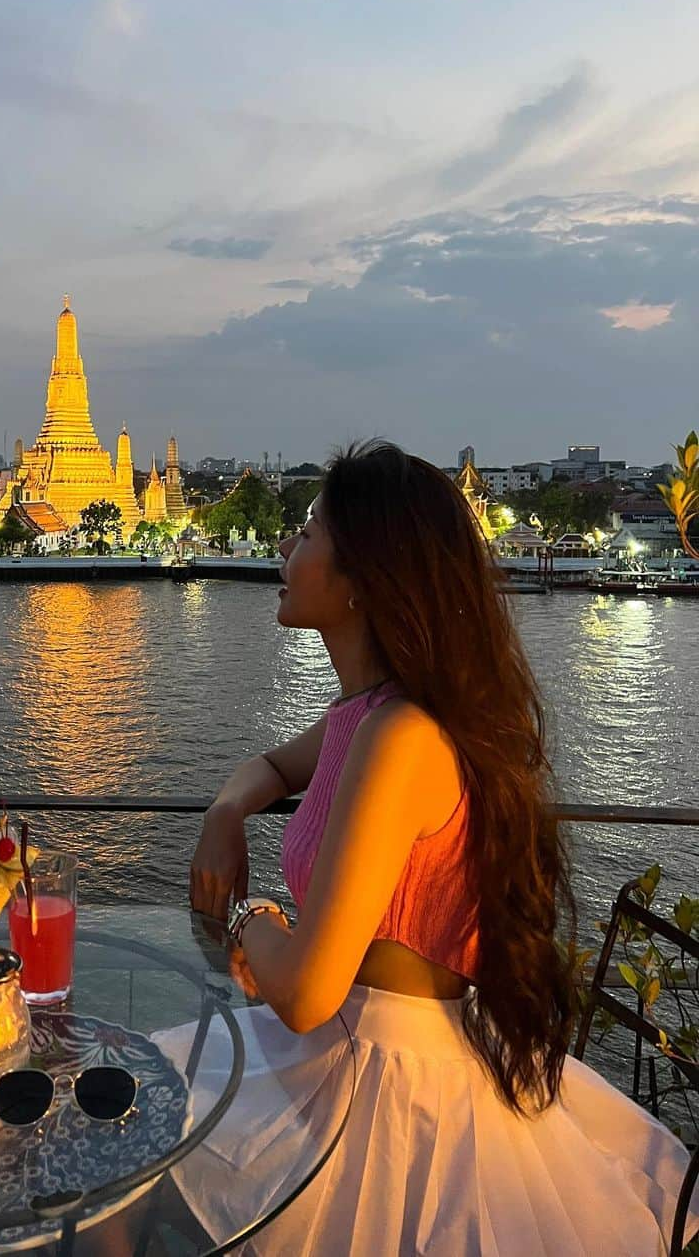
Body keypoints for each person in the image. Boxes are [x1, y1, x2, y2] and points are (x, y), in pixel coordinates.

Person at [154, 441, 699, 1256]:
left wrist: (246, 918)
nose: (284, 549)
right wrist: (227, 809)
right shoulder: (368, 715)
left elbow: (303, 989)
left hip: (391, 1072)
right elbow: (269, 767)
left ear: (359, 583)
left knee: (147, 1140)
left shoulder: (402, 735)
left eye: (305, 534)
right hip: (348, 1039)